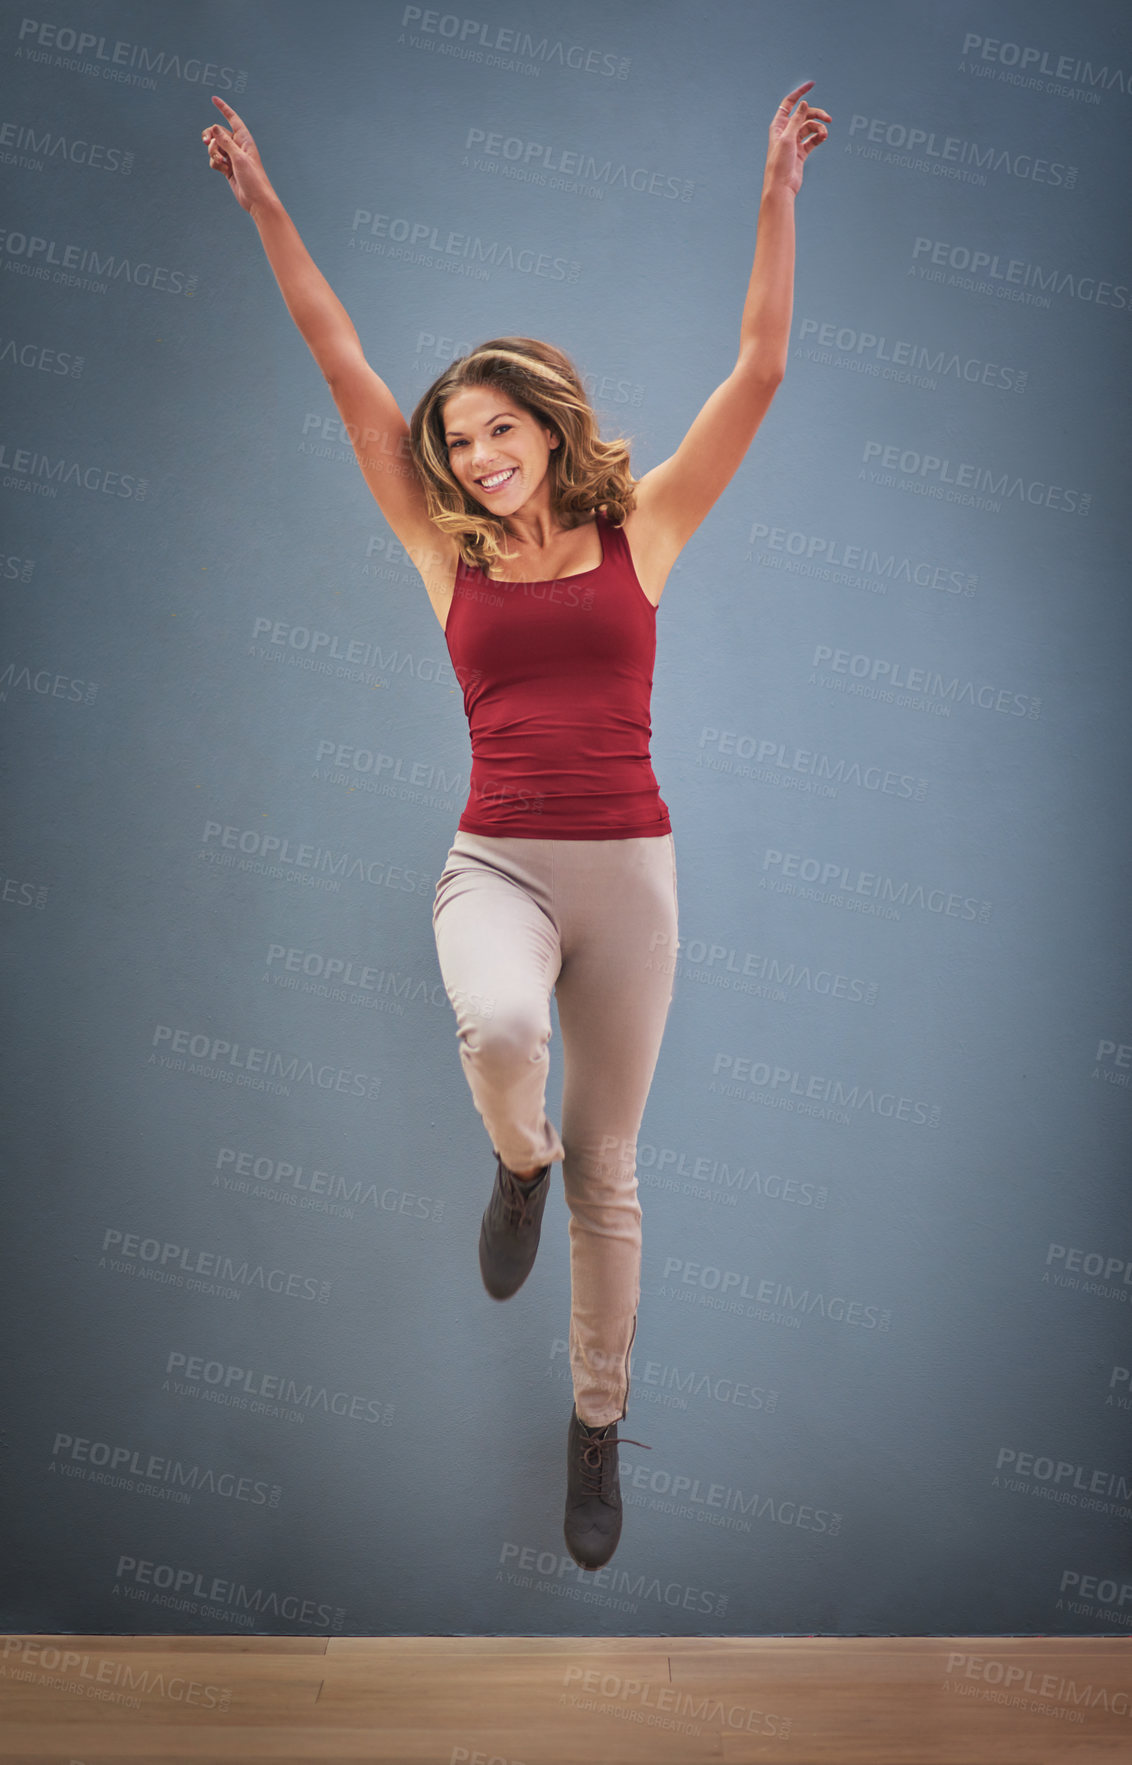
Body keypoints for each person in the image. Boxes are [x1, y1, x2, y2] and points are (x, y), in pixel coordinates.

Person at [201, 82, 830, 1569]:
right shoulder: (443, 555)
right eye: (457, 440)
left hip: (633, 877)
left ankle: (596, 1420)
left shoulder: (644, 529)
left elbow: (758, 369)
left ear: (546, 427)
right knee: (498, 1035)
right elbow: (338, 358)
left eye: (498, 430)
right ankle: (514, 1162)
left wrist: (776, 194)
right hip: (496, 861)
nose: (477, 456)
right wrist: (268, 207)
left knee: (620, 1174)